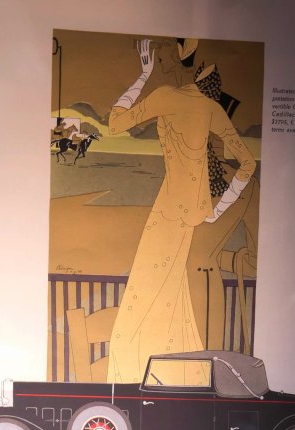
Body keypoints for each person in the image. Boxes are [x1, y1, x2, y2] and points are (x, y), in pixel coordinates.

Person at [104, 38, 256, 382]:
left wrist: (143, 76)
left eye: (166, 54)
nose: (159, 58)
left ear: (181, 59)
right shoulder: (210, 108)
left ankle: (139, 375)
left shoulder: (166, 96)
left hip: (167, 214)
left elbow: (115, 122)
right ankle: (173, 378)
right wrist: (217, 210)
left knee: (144, 304)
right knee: (168, 301)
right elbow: (247, 163)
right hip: (188, 217)